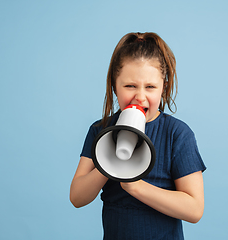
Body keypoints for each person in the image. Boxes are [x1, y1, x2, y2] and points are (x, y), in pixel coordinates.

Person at [70, 32, 206, 240]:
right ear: (115, 86)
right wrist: (109, 164)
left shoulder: (177, 134)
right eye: (130, 86)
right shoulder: (100, 130)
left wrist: (136, 187)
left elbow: (195, 209)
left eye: (150, 87)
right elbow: (77, 197)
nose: (140, 96)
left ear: (164, 87)